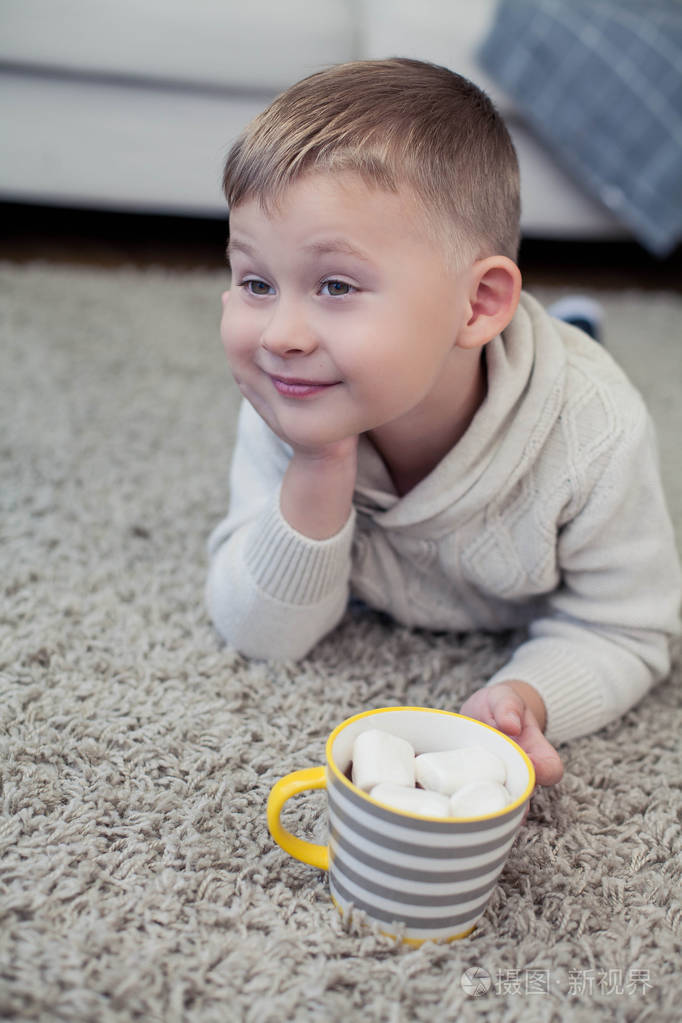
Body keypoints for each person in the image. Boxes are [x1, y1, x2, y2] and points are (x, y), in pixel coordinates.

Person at [206, 58, 680, 787]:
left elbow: (630, 624)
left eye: (335, 284)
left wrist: (528, 697)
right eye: (256, 283)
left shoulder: (598, 430)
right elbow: (260, 633)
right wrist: (320, 462)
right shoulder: (292, 395)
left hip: (549, 396)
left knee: (579, 369)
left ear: (479, 303)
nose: (279, 334)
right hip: (417, 378)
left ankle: (574, 328)